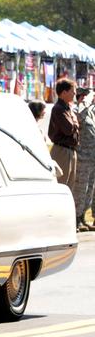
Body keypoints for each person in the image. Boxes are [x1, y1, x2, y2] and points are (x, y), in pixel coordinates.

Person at [49, 78, 79, 188]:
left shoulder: (67, 108)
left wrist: (74, 121)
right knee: (60, 185)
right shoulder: (59, 109)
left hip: (70, 150)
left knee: (69, 187)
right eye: (72, 91)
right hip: (62, 151)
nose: (74, 93)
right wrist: (75, 122)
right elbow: (69, 128)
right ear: (64, 92)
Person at [74, 88, 95, 231]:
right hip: (83, 158)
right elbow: (80, 115)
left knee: (89, 190)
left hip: (92, 157)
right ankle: (76, 218)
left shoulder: (91, 112)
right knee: (81, 189)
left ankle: (82, 218)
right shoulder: (78, 110)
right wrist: (85, 102)